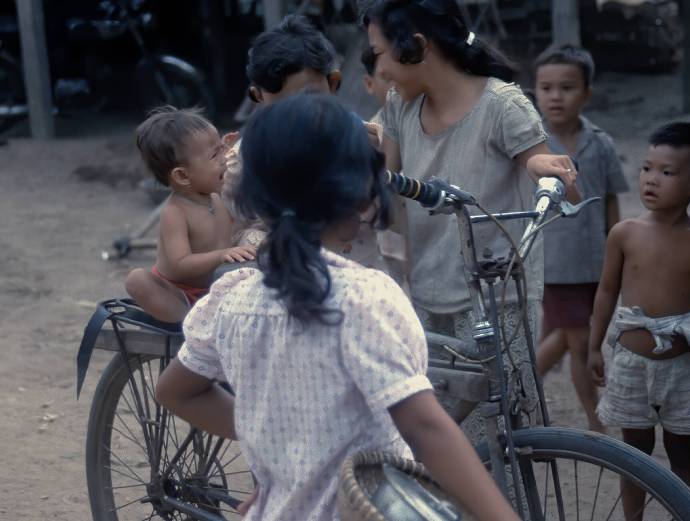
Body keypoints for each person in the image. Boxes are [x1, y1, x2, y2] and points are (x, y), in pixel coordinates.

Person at [154, 94, 521, 521]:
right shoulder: (364, 298)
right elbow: (424, 427)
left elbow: (174, 391)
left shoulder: (232, 298)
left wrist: (278, 450)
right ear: (357, 191)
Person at [363, 0, 578, 427]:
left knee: (500, 432)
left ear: (417, 46)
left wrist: (541, 166)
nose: (378, 67)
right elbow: (381, 184)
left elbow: (542, 165)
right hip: (426, 293)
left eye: (380, 52)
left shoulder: (502, 105)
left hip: (498, 299)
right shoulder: (400, 107)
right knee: (435, 432)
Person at [587, 122, 690, 520]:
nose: (651, 180)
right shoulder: (624, 233)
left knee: (683, 451)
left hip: (684, 369)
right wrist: (593, 345)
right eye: (647, 168)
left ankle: (685, 514)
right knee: (634, 451)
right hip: (631, 364)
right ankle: (632, 517)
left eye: (667, 173)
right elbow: (605, 292)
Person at [221, 15, 395, 281]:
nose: (299, 116)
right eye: (284, 105)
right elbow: (236, 229)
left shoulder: (363, 140)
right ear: (258, 97)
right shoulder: (244, 160)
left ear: (333, 82)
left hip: (365, 282)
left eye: (309, 99)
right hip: (292, 288)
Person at [530, 44, 629, 432]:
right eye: (546, 87)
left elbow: (610, 203)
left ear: (587, 92)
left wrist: (616, 251)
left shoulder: (600, 143)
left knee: (563, 336)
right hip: (552, 260)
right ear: (534, 92)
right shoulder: (530, 145)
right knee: (579, 339)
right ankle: (595, 421)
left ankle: (518, 390)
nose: (555, 96)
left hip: (593, 259)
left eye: (567, 87)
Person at [124, 107, 255, 323]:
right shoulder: (175, 212)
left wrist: (223, 152)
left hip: (215, 289)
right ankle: (192, 326)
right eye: (216, 155)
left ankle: (208, 321)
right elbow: (179, 264)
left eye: (222, 149)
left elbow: (238, 221)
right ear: (183, 176)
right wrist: (222, 255)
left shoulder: (216, 196)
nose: (224, 159)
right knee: (136, 280)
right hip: (179, 293)